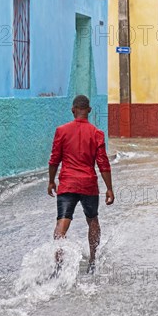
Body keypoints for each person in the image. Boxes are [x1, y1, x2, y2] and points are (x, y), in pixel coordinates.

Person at [48, 95, 114, 274]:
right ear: (89, 111)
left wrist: (51, 181)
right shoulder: (97, 133)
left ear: (73, 110)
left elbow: (54, 159)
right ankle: (93, 261)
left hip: (67, 184)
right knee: (92, 220)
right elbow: (103, 163)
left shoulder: (61, 131)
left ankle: (58, 264)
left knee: (62, 222)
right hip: (88, 184)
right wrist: (109, 188)